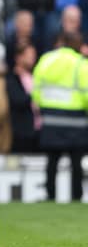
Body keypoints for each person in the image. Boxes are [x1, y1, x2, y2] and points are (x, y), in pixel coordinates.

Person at [32, 32, 88, 202]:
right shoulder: (81, 64)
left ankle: (50, 195)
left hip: (51, 117)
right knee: (76, 162)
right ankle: (76, 196)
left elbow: (36, 88)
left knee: (52, 160)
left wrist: (44, 106)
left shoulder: (47, 59)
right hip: (76, 119)